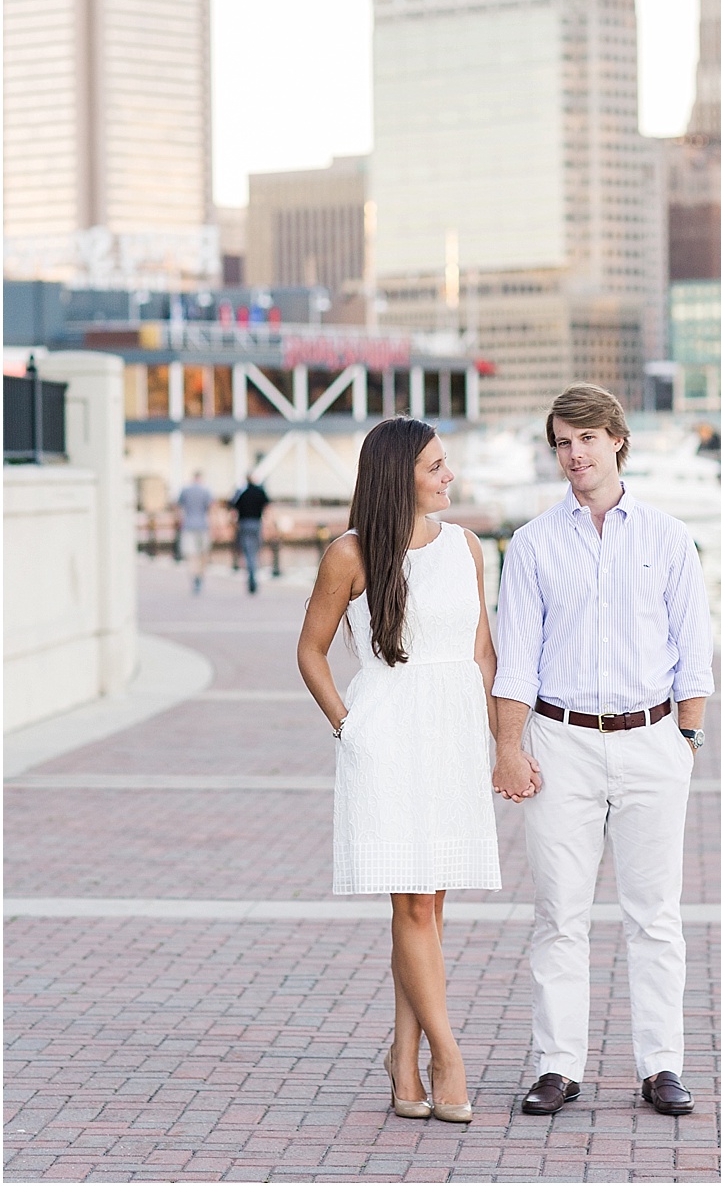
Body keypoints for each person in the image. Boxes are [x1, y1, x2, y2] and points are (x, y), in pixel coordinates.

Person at [492, 383, 714, 1118]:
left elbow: (694, 652)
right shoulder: (531, 544)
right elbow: (515, 661)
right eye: (561, 441)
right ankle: (558, 1065)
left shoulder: (668, 538)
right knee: (560, 913)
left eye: (585, 438)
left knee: (655, 914)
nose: (573, 454)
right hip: (560, 743)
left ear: (617, 439)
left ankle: (661, 1067)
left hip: (653, 740)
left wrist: (686, 740)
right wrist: (510, 748)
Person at [297, 417, 507, 1124]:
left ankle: (401, 1058)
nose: (450, 477)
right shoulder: (349, 555)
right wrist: (348, 728)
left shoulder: (468, 548)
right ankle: (447, 1056)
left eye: (447, 465)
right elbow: (311, 652)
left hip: (451, 737)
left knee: (428, 907)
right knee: (414, 904)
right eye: (436, 467)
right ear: (398, 477)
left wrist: (499, 740)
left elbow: (483, 653)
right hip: (386, 737)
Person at [229, 473, 270, 593]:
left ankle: (251, 574)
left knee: (247, 552)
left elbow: (232, 507)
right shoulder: (260, 491)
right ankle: (254, 573)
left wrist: (233, 523)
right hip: (256, 523)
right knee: (256, 550)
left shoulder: (242, 492)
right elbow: (267, 506)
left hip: (244, 524)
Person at [175, 471, 214, 593]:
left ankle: (194, 577)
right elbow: (211, 508)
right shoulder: (206, 491)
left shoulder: (185, 491)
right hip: (203, 525)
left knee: (191, 555)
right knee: (203, 553)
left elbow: (178, 507)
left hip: (189, 525)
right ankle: (200, 576)